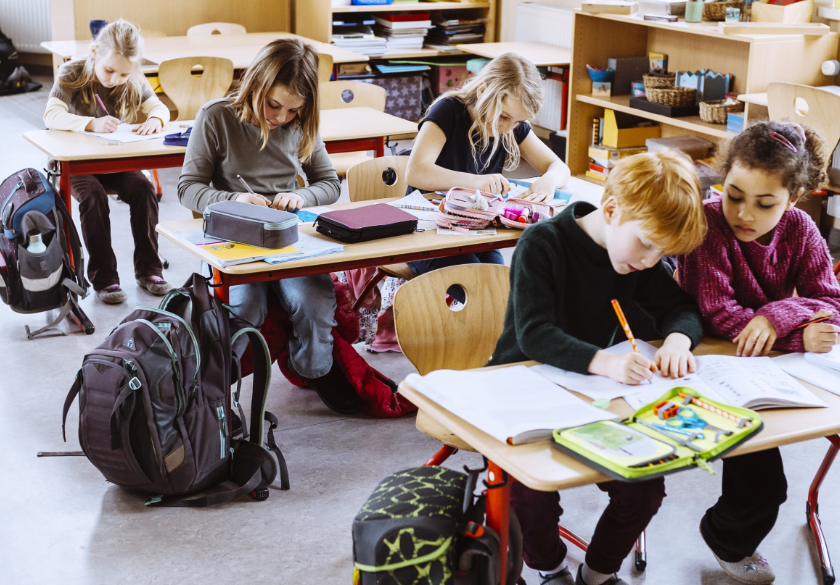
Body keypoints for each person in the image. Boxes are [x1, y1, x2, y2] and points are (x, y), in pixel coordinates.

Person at [489, 151, 707, 585]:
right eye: (646, 244)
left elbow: (680, 308)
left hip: (590, 400)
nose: (650, 261)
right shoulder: (541, 243)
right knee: (531, 494)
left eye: (662, 252)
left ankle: (597, 576)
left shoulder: (634, 257)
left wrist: (680, 340)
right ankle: (552, 571)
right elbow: (535, 334)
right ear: (611, 211)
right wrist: (605, 361)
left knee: (644, 488)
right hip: (517, 394)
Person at [676, 120, 840, 585]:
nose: (744, 214)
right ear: (723, 179)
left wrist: (777, 316)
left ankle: (730, 533)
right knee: (766, 486)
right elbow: (718, 313)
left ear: (793, 199)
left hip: (763, 362)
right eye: (734, 194)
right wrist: (796, 334)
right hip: (701, 360)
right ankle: (726, 538)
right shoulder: (708, 223)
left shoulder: (801, 228)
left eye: (765, 203)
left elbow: (834, 302)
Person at [178, 38, 363, 414]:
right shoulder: (216, 116)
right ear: (255, 85)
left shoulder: (301, 125)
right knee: (244, 307)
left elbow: (329, 183)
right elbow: (187, 187)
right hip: (233, 237)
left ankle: (314, 369)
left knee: (312, 302)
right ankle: (218, 393)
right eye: (273, 105)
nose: (280, 118)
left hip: (287, 237)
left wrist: (302, 198)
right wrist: (232, 200)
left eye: (293, 110)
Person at [404, 52, 570, 278]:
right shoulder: (448, 111)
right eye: (504, 117)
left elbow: (559, 167)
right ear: (483, 92)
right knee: (477, 285)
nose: (509, 128)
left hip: (477, 229)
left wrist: (548, 181)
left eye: (518, 122)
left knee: (500, 282)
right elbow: (415, 172)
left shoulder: (510, 124)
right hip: (430, 230)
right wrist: (475, 182)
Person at [43, 19, 170, 303]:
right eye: (109, 70)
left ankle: (149, 270)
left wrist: (155, 119)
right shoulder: (71, 72)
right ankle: (105, 279)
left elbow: (159, 107)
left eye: (124, 75)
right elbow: (50, 116)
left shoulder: (132, 76)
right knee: (93, 197)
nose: (115, 80)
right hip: (76, 162)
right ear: (94, 53)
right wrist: (90, 124)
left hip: (111, 160)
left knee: (144, 189)